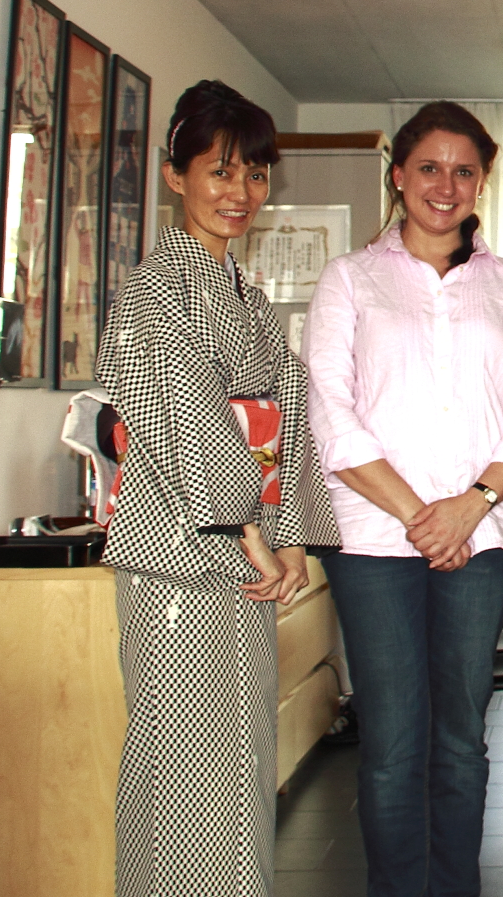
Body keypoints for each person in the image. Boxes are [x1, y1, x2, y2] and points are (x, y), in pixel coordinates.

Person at [302, 101, 503, 897]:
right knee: (390, 742)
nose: (445, 185)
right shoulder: (350, 279)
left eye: (464, 171)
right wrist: (424, 514)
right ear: (398, 177)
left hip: (482, 541)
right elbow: (330, 413)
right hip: (372, 543)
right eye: (428, 168)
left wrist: (469, 506)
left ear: (482, 183)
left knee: (459, 738)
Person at [96, 79, 340, 897]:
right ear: (176, 176)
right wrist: (249, 530)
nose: (241, 192)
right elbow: (184, 416)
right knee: (181, 772)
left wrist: (290, 535)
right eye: (220, 171)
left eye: (256, 174)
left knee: (240, 767)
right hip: (180, 558)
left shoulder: (246, 297)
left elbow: (289, 410)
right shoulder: (154, 292)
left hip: (243, 557)